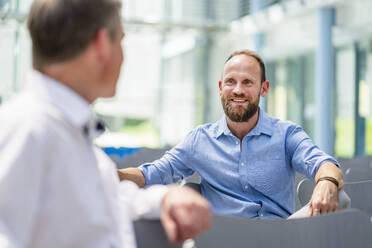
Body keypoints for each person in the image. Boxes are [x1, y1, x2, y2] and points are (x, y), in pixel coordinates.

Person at [0, 0, 211, 247]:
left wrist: (163, 199)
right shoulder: (27, 128)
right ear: (102, 45)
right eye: (120, 40)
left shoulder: (70, 131)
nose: (123, 57)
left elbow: (104, 199)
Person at [118, 49, 344, 219]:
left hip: (279, 238)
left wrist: (326, 181)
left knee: (341, 198)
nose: (237, 90)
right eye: (230, 82)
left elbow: (324, 163)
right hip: (224, 239)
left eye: (247, 82)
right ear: (220, 87)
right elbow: (151, 174)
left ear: (263, 89)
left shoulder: (286, 134)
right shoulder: (200, 140)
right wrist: (107, 173)